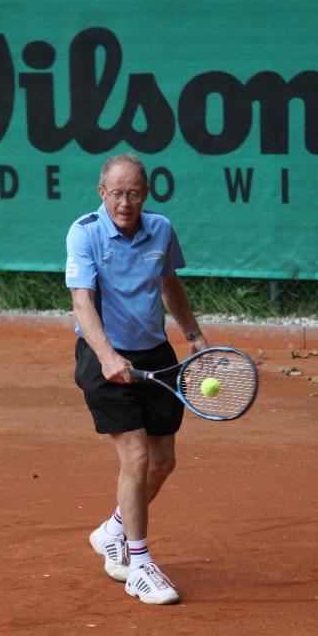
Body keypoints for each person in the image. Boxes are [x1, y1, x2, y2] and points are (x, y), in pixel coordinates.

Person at [65, 153, 208, 605]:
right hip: (104, 358)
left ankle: (113, 530)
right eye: (116, 193)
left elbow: (170, 284)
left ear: (145, 194)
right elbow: (82, 301)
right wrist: (107, 355)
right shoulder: (84, 232)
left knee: (163, 462)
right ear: (101, 193)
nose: (124, 203)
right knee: (138, 456)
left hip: (156, 356)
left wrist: (193, 335)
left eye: (133, 193)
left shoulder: (161, 229)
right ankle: (139, 565)